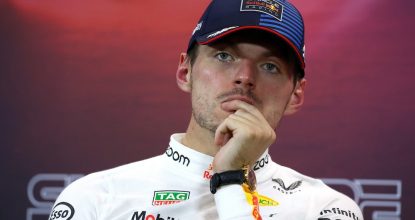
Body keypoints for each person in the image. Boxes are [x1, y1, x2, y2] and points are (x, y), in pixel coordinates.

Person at [49, 0, 363, 219]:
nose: (245, 77)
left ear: (296, 94)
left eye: (270, 66)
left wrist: (231, 178)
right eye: (225, 56)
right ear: (185, 72)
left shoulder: (325, 208)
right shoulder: (95, 198)